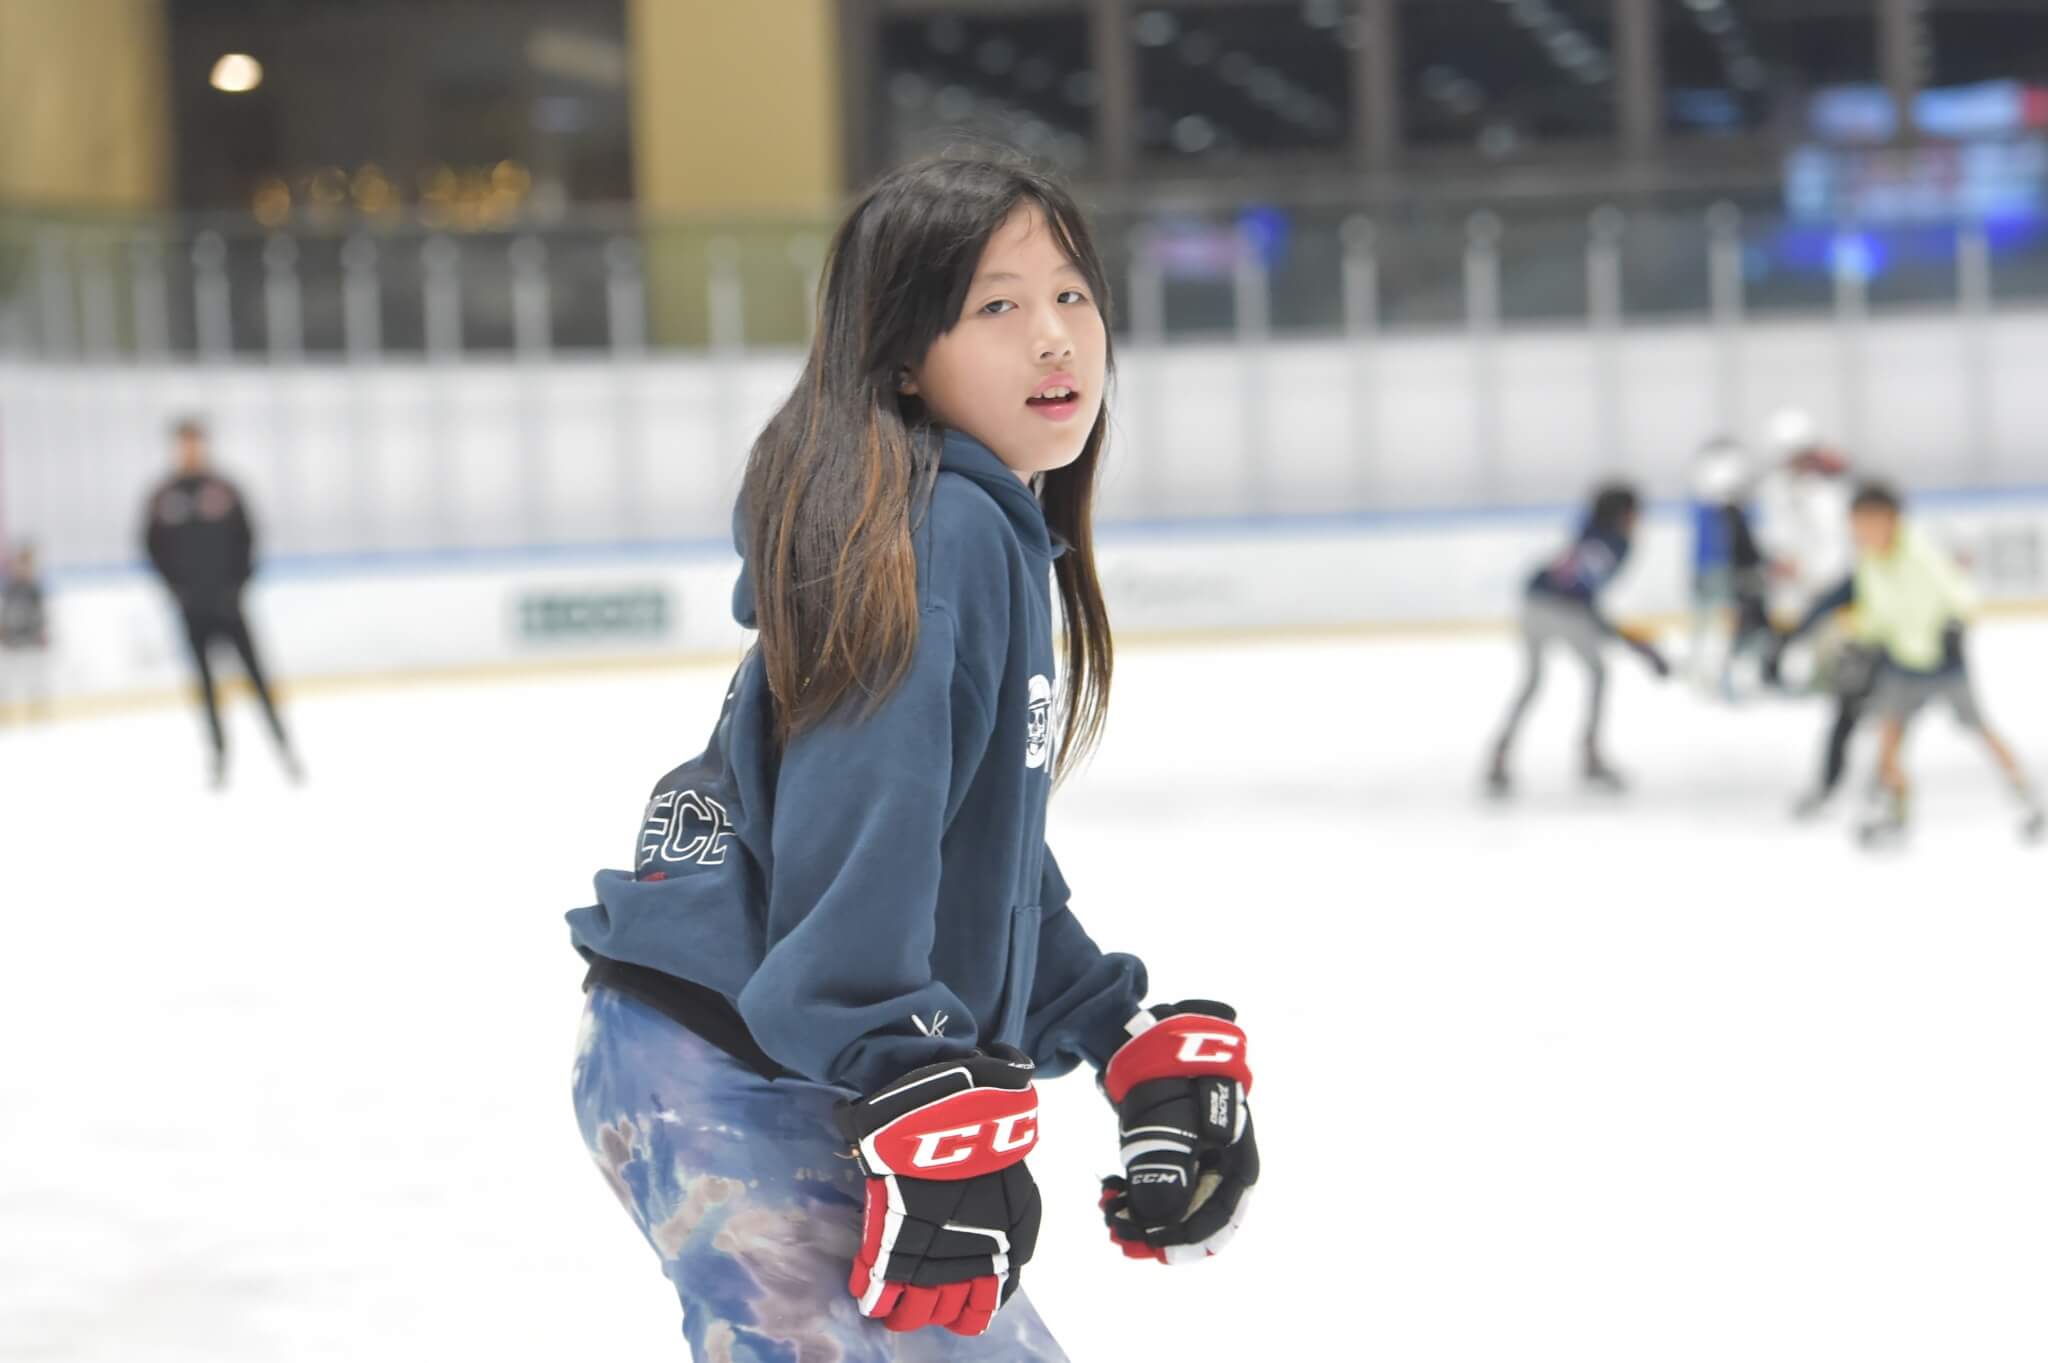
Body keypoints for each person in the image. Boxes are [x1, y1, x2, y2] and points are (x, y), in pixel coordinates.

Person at [564, 156, 1260, 1361]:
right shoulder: (936, 527)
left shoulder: (966, 522)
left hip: (733, 1049)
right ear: (900, 356)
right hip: (740, 1068)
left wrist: (1108, 1026)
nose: (1053, 340)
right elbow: (864, 813)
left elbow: (967, 848)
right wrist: (906, 1073)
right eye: (996, 307)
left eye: (1071, 297)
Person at [1775, 482, 2042, 846]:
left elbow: (1959, 591)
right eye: (1857, 525)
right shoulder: (1869, 562)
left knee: (1981, 730)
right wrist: (1855, 634)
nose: (1862, 533)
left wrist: (1955, 623)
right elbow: (1877, 613)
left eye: (1869, 523)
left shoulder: (1919, 553)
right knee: (1889, 741)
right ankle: (1894, 811)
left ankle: (2027, 798)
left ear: (1891, 520)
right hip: (1902, 665)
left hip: (1944, 664)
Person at [142, 418, 300, 786]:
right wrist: (177, 590)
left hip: (230, 605)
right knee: (206, 687)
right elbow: (150, 548)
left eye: (195, 442)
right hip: (192, 609)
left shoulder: (225, 489)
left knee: (257, 679)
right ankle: (219, 757)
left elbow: (250, 537)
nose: (190, 449)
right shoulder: (163, 496)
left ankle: (284, 749)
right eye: (184, 443)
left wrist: (237, 586)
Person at [1488, 481, 1670, 796]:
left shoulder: (1591, 531)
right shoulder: (1613, 544)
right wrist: (1638, 646)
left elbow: (1583, 594)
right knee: (1597, 673)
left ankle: (1500, 755)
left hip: (1533, 602)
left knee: (1532, 682)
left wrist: (1634, 643)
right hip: (1560, 609)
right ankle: (1590, 756)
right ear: (1624, 514)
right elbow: (1584, 598)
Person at [0, 543, 52, 721]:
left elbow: (43, 616)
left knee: (36, 683)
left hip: (32, 645)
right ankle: (5, 716)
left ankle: (38, 715)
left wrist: (43, 634)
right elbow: (5, 614)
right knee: (6, 683)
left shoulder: (35, 589)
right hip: (12, 644)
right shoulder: (10, 589)